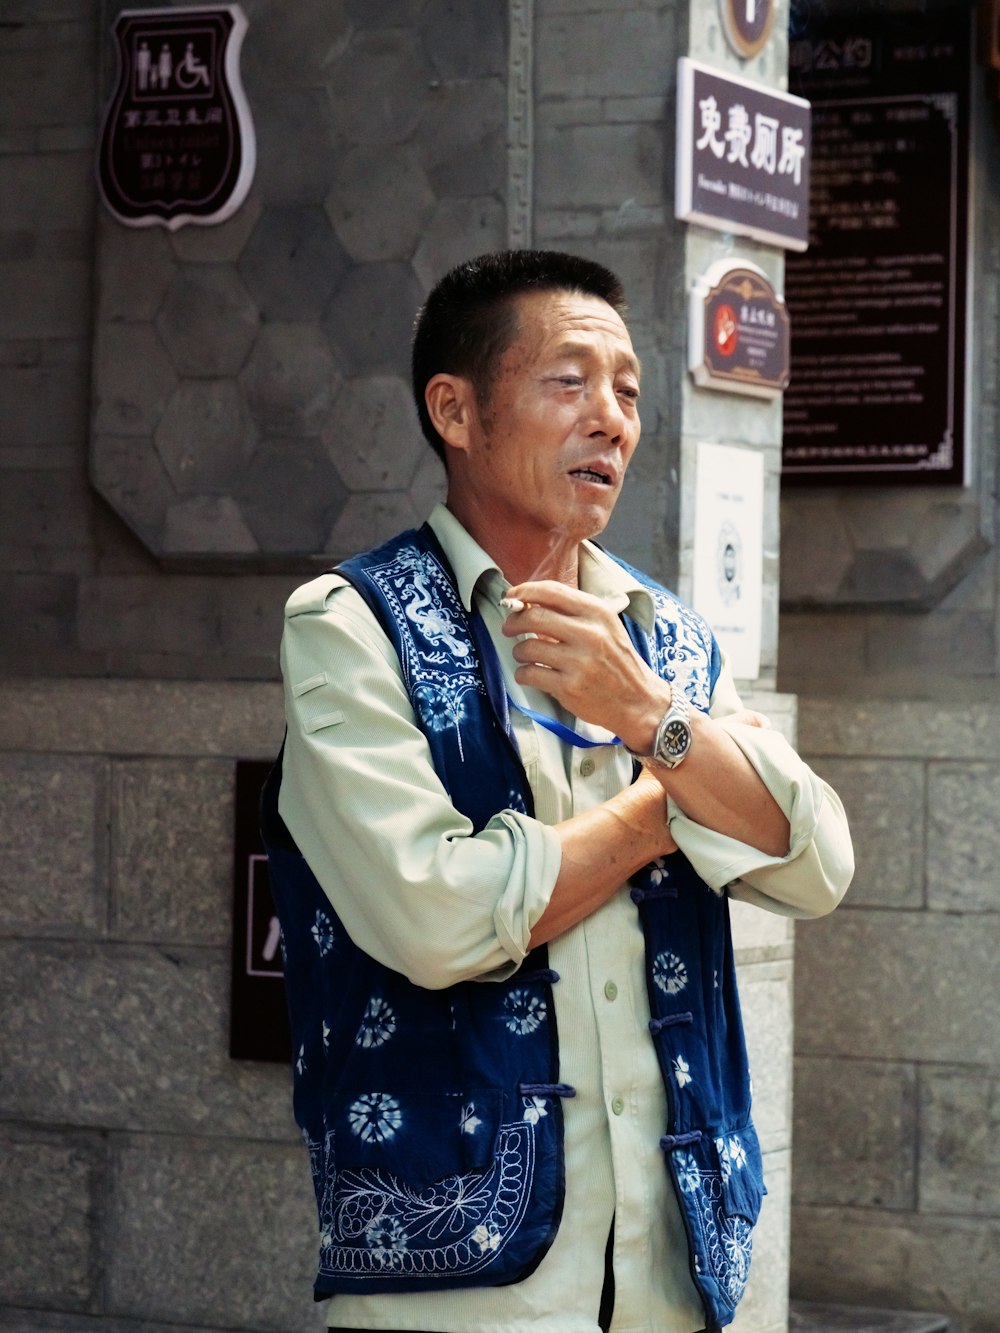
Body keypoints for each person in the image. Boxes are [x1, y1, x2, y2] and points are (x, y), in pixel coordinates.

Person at [261, 249, 853, 1333]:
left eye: (628, 390)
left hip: (675, 1276)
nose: (612, 420)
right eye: (569, 381)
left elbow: (811, 860)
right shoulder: (348, 626)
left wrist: (649, 719)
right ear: (456, 409)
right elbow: (440, 916)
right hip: (461, 1285)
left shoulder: (664, 640)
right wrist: (666, 798)